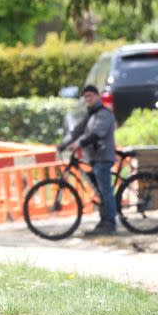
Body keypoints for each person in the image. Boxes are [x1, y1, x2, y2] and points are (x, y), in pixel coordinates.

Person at [58, 85, 117, 235]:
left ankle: (109, 223)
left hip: (103, 157)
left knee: (105, 191)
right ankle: (104, 220)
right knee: (100, 191)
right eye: (86, 97)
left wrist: (79, 143)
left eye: (91, 96)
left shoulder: (103, 114)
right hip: (94, 158)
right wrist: (63, 145)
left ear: (97, 96)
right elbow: (76, 131)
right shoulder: (90, 115)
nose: (88, 99)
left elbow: (97, 133)